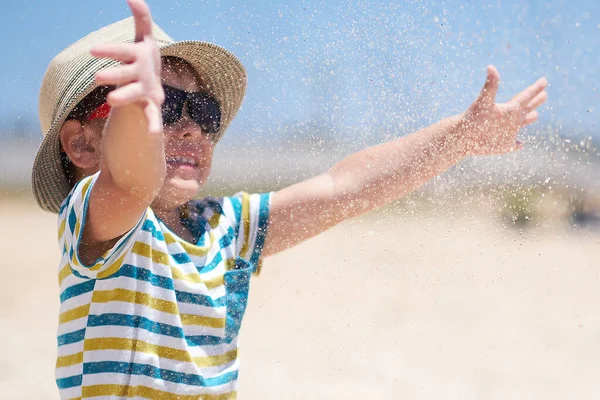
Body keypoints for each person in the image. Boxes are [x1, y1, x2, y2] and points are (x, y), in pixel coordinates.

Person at [32, 0, 548, 398]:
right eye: (164, 108)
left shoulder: (222, 227)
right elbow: (130, 181)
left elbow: (344, 187)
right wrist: (137, 115)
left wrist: (457, 137)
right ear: (82, 144)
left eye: (204, 113)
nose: (190, 127)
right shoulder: (97, 218)